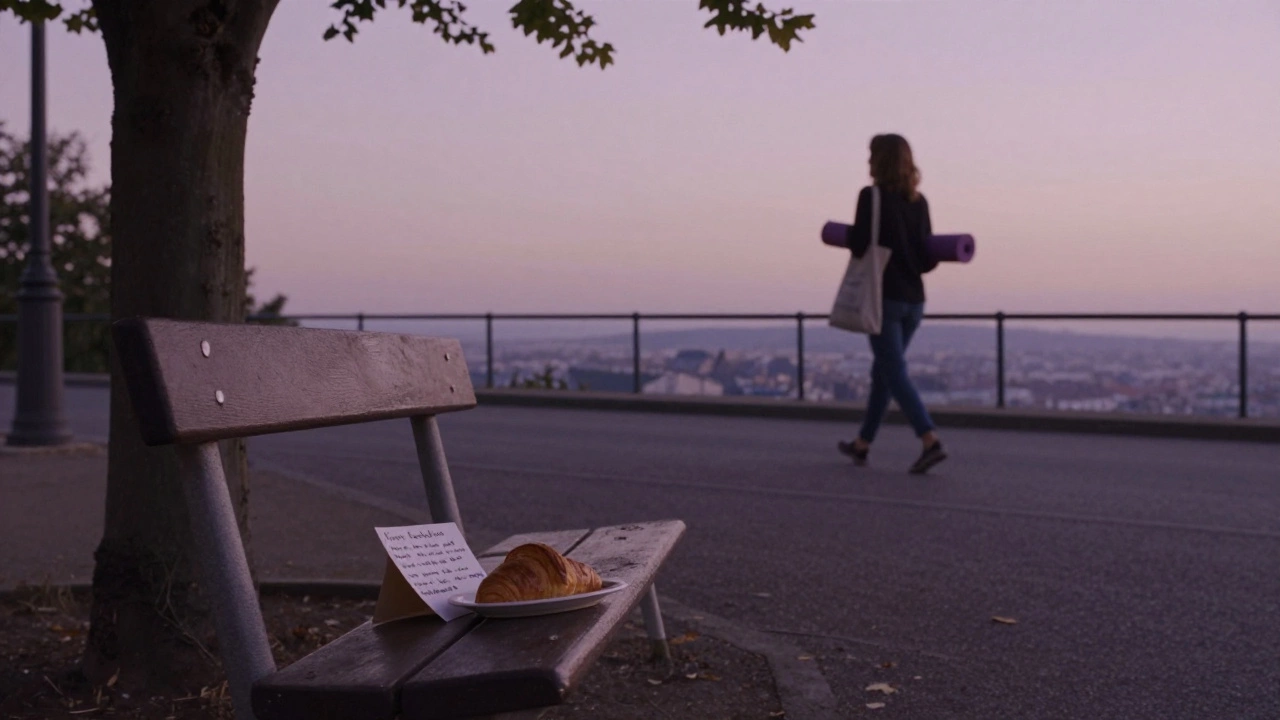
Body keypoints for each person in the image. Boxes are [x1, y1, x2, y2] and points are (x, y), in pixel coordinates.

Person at [836, 134, 948, 474]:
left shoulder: (870, 197)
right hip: (915, 300)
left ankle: (930, 440)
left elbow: (859, 245)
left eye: (871, 155)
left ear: (879, 160)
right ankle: (862, 444)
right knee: (883, 372)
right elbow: (928, 258)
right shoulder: (919, 201)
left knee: (894, 372)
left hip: (882, 299)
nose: (867, 160)